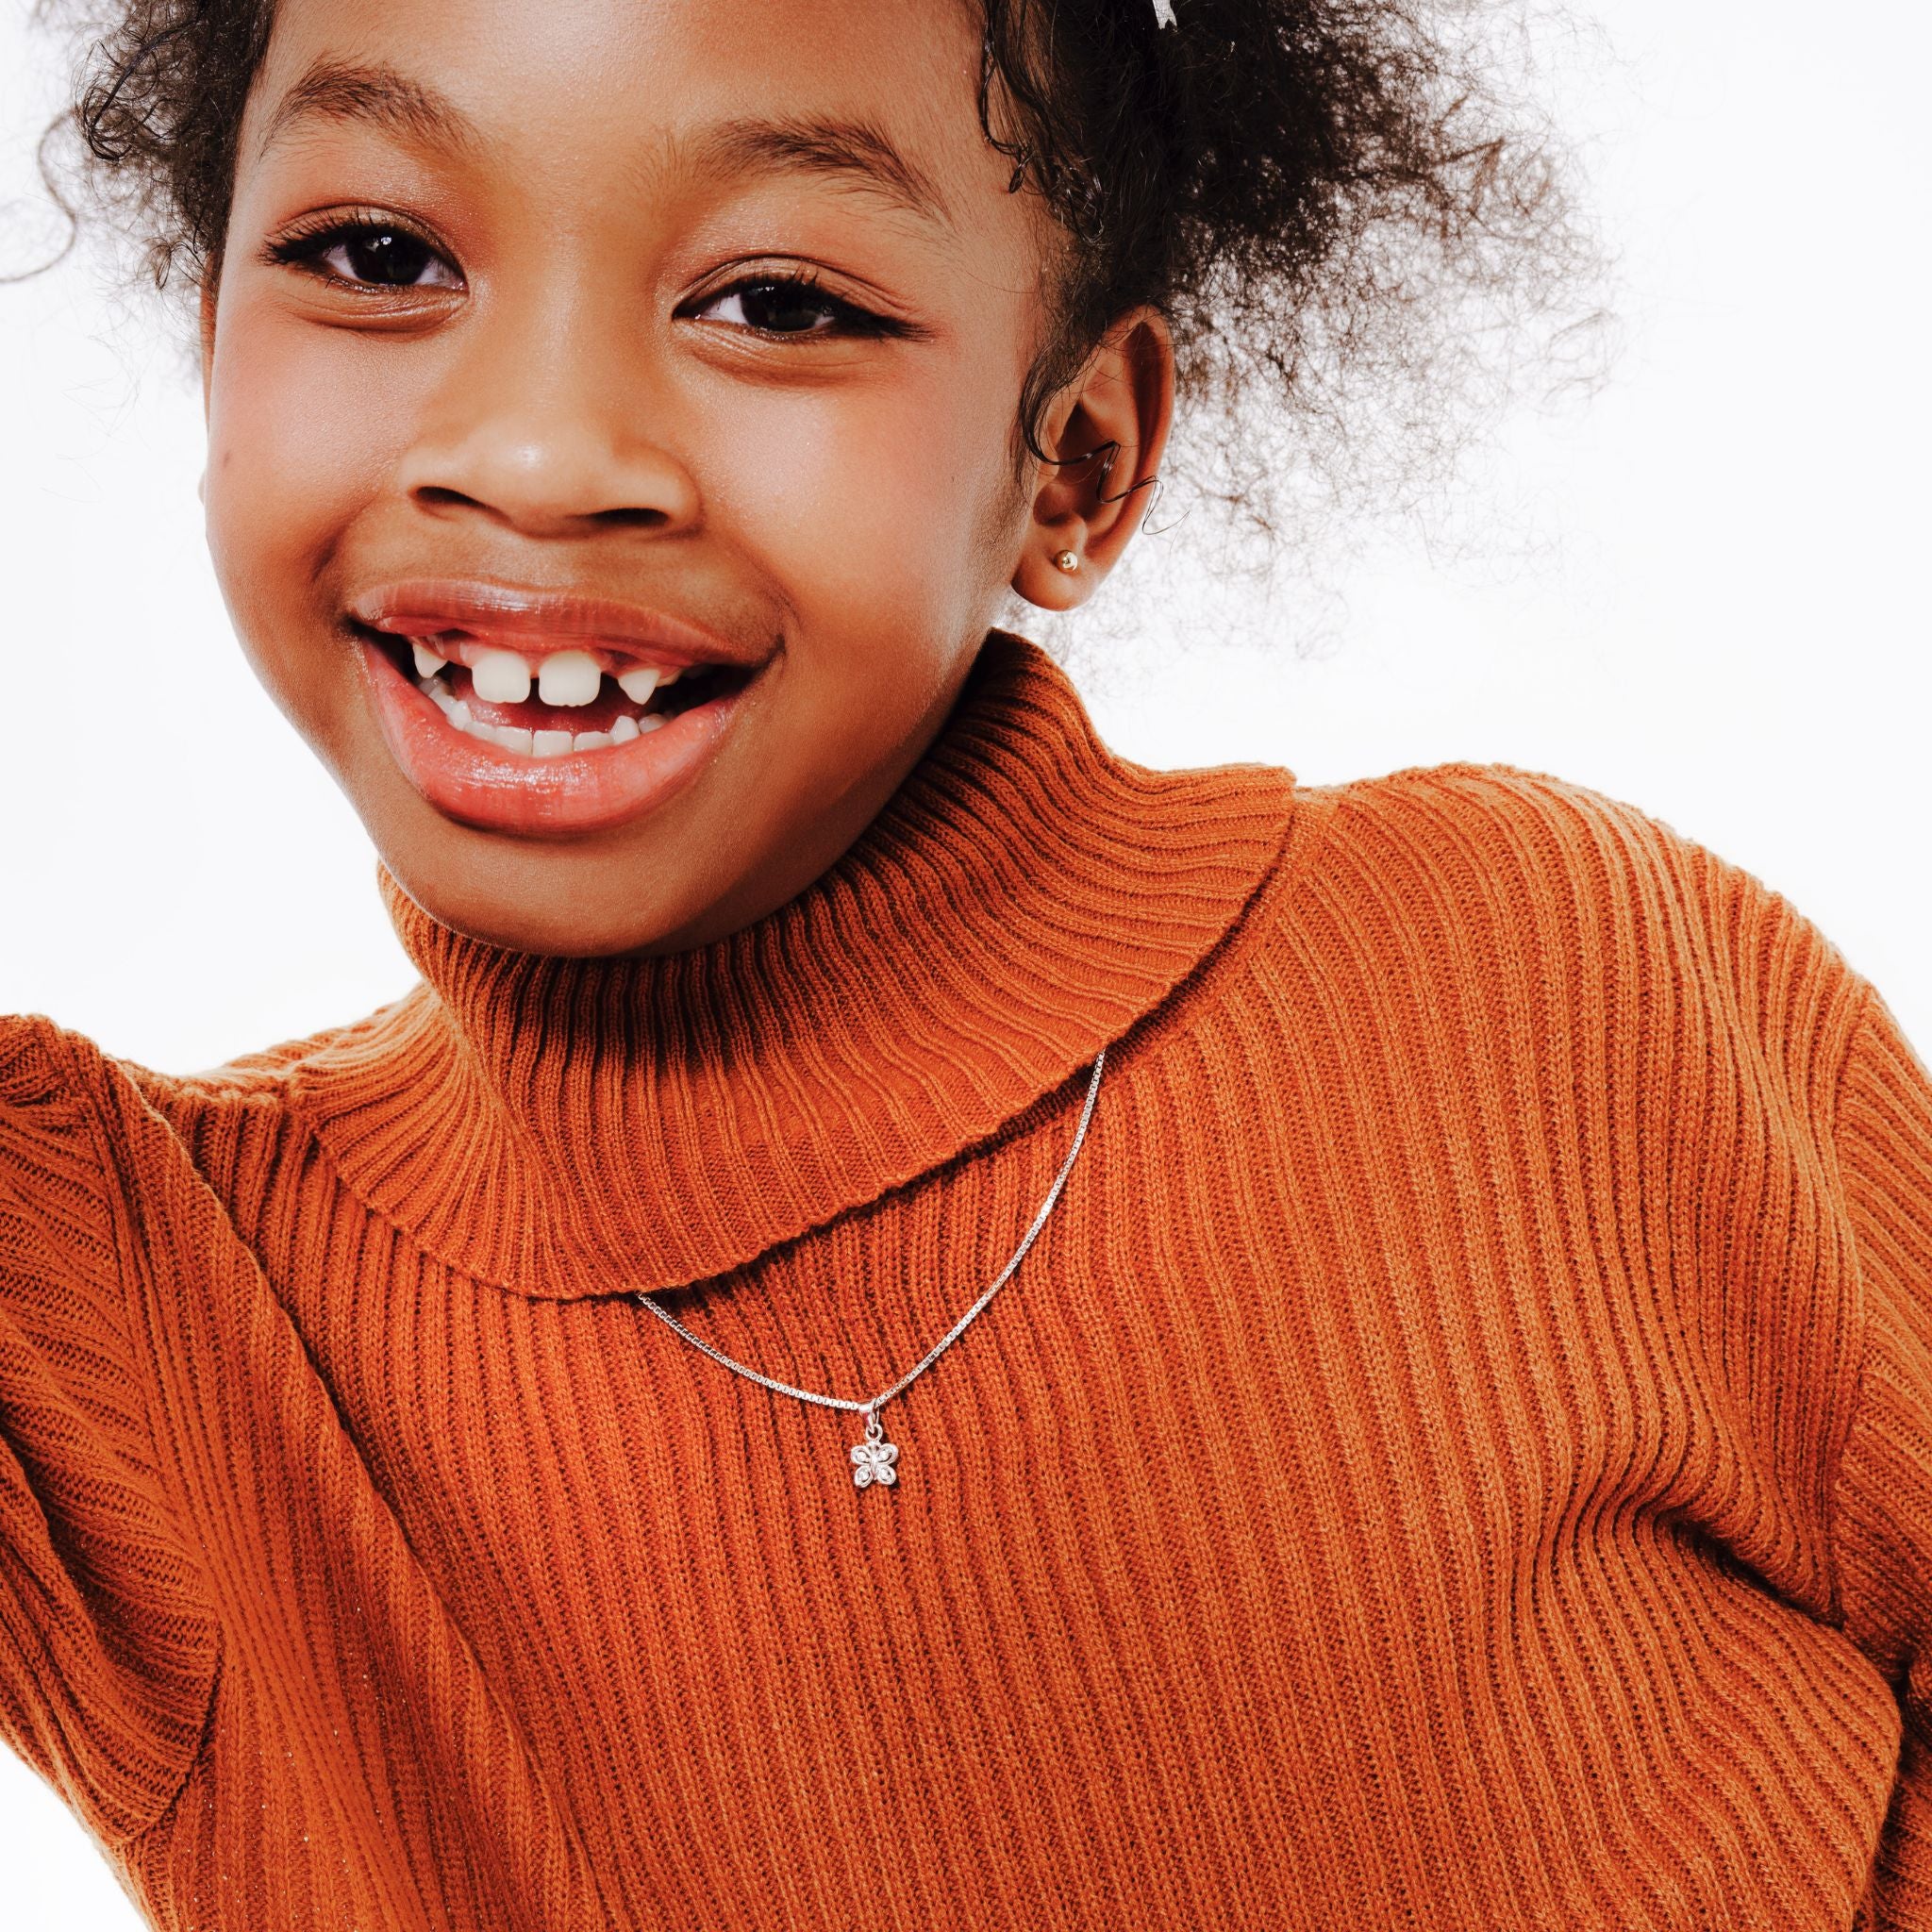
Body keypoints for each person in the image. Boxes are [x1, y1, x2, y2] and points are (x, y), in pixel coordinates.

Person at [3, 0, 1927, 1925]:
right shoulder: (120, 1309)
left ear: (1076, 460)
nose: (541, 451)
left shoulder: (1541, 976)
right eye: (377, 257)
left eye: (776, 300)